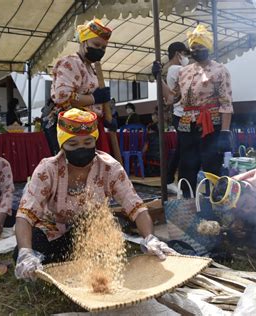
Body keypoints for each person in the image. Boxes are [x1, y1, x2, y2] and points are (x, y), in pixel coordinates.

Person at [13, 108, 175, 280]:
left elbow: (136, 206)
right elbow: (25, 214)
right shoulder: (48, 169)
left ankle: (81, 263)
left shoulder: (109, 168)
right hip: (52, 230)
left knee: (110, 228)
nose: (81, 149)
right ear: (62, 145)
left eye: (88, 143)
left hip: (89, 230)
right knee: (30, 250)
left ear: (95, 142)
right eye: (73, 144)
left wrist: (150, 237)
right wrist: (25, 252)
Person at [155, 25, 233, 197]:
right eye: (194, 48)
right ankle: (189, 204)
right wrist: (158, 78)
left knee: (212, 165)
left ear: (208, 47)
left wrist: (225, 132)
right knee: (187, 166)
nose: (197, 50)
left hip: (211, 124)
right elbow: (172, 99)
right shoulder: (184, 71)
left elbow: (226, 103)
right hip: (186, 124)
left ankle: (217, 202)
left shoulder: (220, 70)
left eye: (201, 47)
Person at [50, 19, 114, 154]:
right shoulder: (71, 62)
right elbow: (62, 96)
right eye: (96, 44)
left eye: (103, 48)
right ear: (84, 42)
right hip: (76, 131)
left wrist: (107, 117)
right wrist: (93, 98)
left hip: (92, 127)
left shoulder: (92, 68)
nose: (100, 50)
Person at [164, 42, 190, 194]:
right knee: (184, 149)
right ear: (177, 54)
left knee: (181, 149)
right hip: (182, 116)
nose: (187, 57)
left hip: (181, 115)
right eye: (185, 54)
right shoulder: (177, 69)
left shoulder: (174, 69)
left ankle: (170, 180)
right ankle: (179, 182)